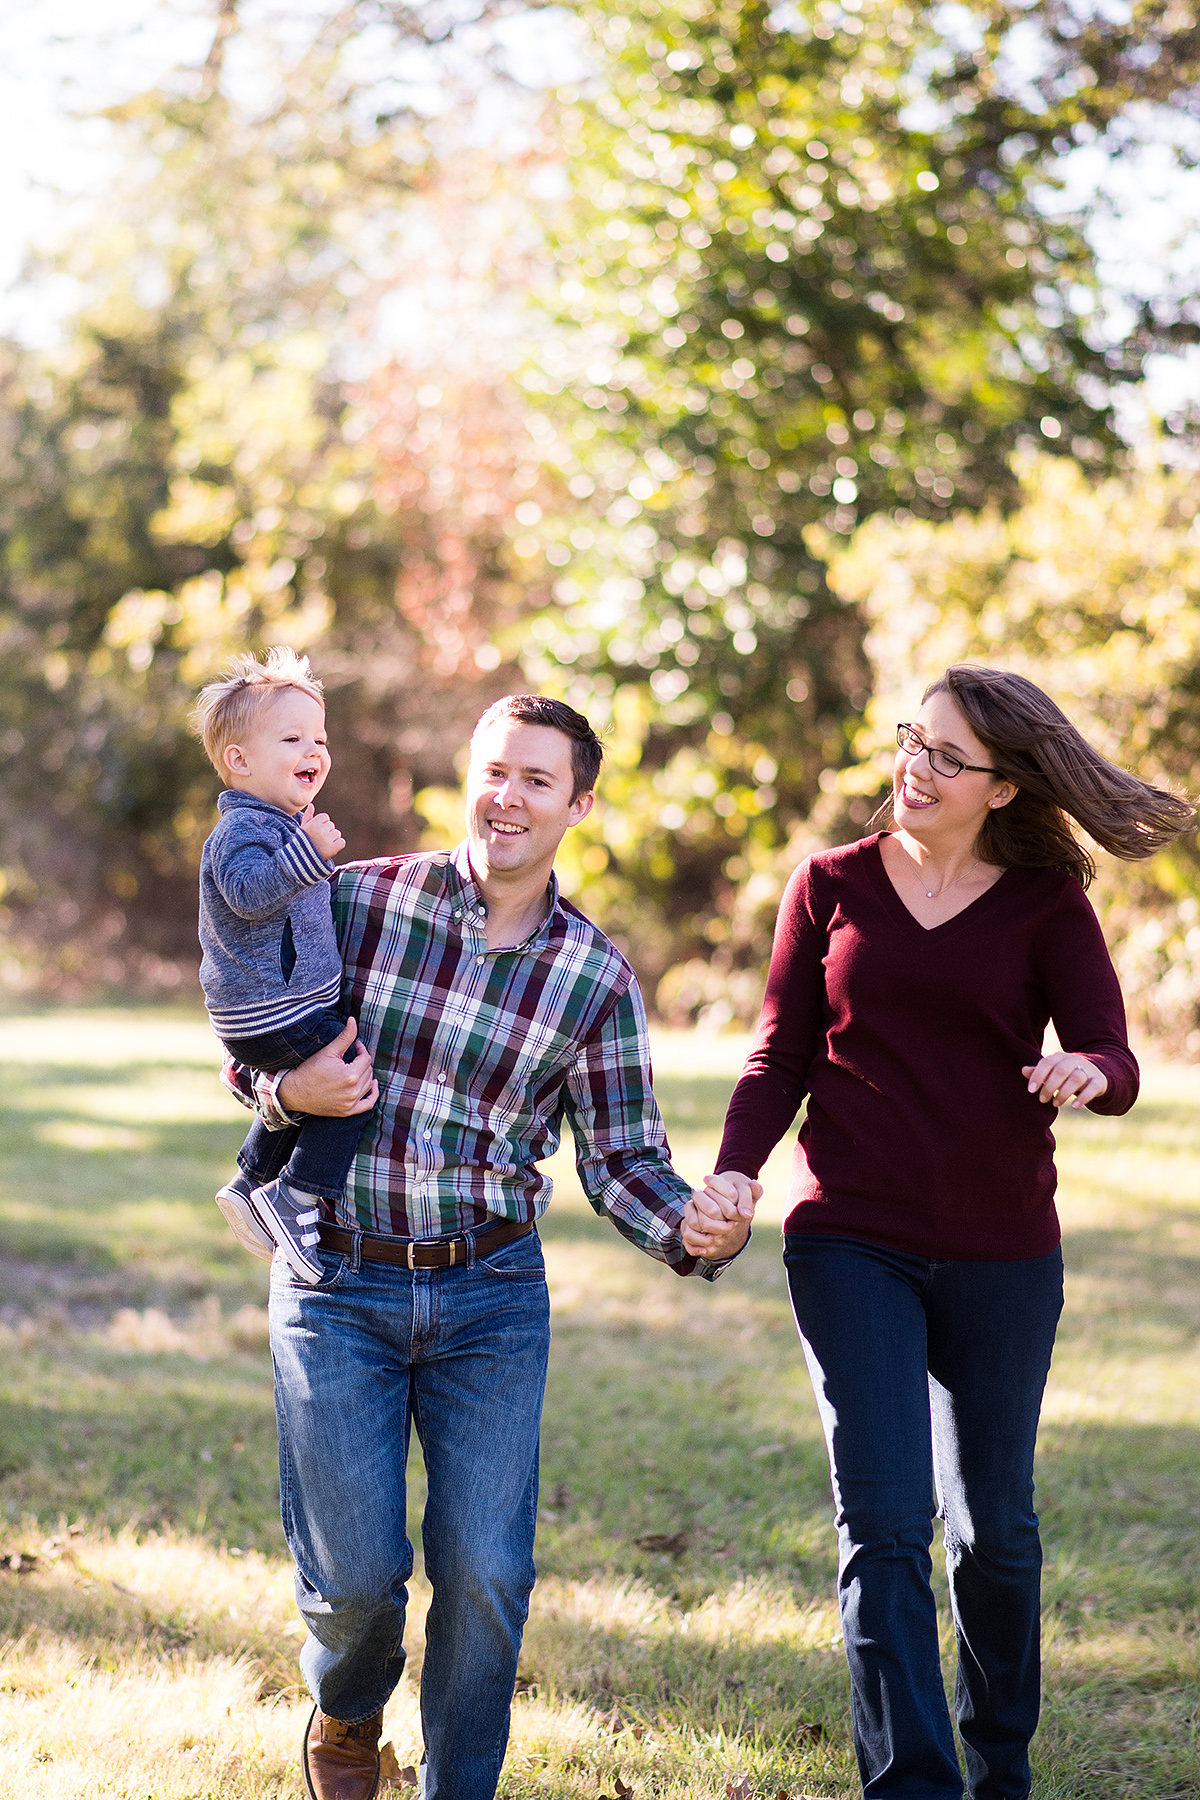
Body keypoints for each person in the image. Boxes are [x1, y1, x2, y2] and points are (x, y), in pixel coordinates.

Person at [221, 692, 758, 1800]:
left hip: (491, 1296)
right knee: (356, 1579)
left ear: (579, 805)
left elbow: (621, 1160)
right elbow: (250, 1024)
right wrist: (285, 1090)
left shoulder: (594, 978)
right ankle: (349, 1709)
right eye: (494, 770)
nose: (507, 796)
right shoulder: (361, 899)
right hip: (335, 1275)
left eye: (536, 780)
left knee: (486, 1574)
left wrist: (693, 1224)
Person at [713, 665, 1193, 1800]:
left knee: (995, 1531)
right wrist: (734, 1173)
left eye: (947, 757)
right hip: (849, 1237)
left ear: (1005, 791)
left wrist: (1089, 1071)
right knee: (881, 1522)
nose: (915, 768)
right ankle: (913, 1786)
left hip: (1001, 1248)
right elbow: (781, 1054)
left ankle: (1002, 1765)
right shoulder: (827, 885)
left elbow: (1116, 1057)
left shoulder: (1044, 908)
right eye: (911, 740)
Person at [193, 647, 371, 1286]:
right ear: (239, 761)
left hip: (281, 1002)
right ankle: (296, 1196)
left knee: (321, 1081)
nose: (314, 750)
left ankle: (250, 1180)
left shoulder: (280, 822)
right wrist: (309, 850)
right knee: (350, 1085)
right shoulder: (245, 831)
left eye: (319, 738)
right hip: (273, 1006)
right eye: (293, 737)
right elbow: (248, 891)